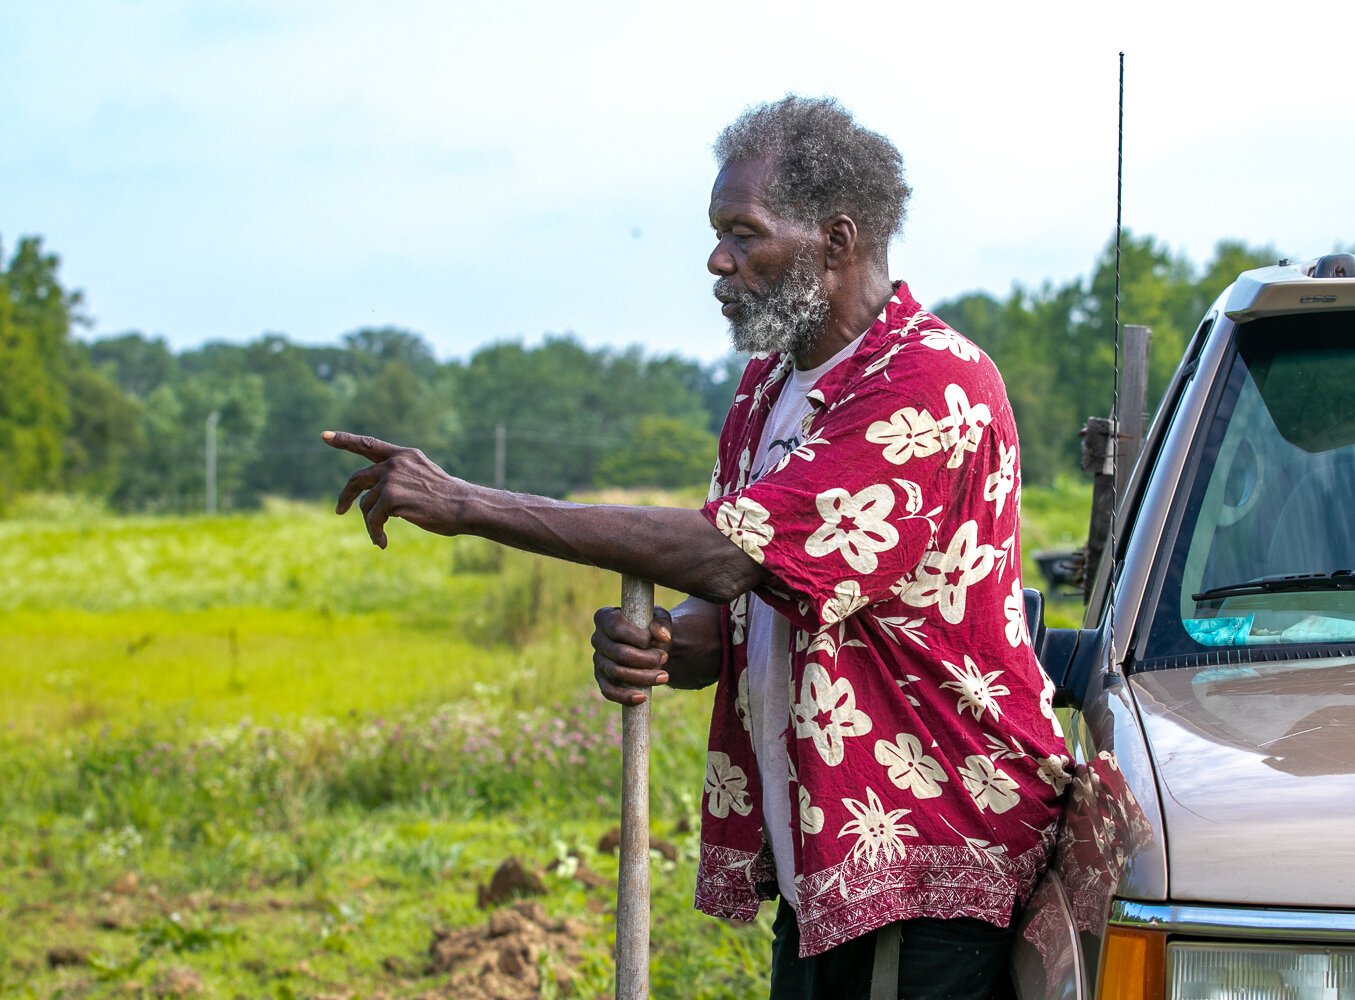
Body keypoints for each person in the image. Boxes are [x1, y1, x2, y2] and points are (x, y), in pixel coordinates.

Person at [326, 95, 1070, 1000]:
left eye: (744, 234)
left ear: (837, 242)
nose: (718, 260)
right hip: (835, 849)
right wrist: (673, 642)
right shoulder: (767, 391)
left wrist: (466, 503)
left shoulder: (929, 383)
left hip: (929, 849)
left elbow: (730, 554)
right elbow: (747, 603)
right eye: (719, 234)